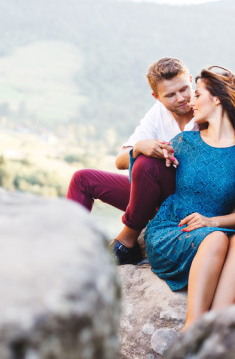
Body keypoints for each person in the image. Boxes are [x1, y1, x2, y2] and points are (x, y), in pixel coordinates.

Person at [143, 65, 235, 331]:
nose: (191, 101)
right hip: (172, 230)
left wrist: (211, 221)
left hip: (214, 229)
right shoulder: (184, 142)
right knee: (215, 239)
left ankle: (216, 330)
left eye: (197, 94)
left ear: (217, 99)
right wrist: (141, 148)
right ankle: (193, 329)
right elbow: (143, 175)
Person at [66, 57, 197, 264]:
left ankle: (127, 241)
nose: (181, 98)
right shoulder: (158, 113)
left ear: (191, 80)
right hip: (152, 197)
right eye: (170, 95)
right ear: (156, 97)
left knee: (147, 164)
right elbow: (120, 161)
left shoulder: (206, 109)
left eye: (184, 89)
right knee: (82, 179)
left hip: (188, 202)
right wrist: (137, 148)